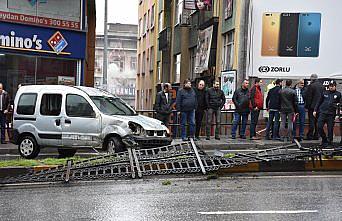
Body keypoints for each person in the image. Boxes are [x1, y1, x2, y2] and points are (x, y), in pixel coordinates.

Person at [314, 80, 341, 147]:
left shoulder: (338, 94)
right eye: (330, 86)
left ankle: (330, 142)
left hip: (331, 114)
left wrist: (338, 114)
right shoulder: (324, 93)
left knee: (330, 129)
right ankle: (324, 139)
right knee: (319, 127)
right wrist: (315, 110)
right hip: (322, 113)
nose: (331, 87)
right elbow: (319, 102)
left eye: (332, 86)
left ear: (335, 86)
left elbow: (340, 105)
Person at [305, 74, 324, 140]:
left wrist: (307, 106)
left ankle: (310, 136)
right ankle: (317, 135)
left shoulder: (311, 86)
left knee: (312, 121)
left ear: (312, 79)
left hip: (312, 107)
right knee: (318, 122)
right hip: (320, 107)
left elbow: (309, 97)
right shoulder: (322, 86)